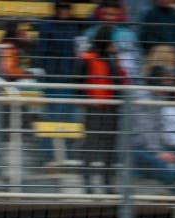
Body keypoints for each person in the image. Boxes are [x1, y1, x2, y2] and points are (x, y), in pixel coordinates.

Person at [78, 25, 126, 192]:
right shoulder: (87, 58)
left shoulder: (113, 58)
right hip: (95, 108)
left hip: (111, 108)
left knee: (109, 148)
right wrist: (87, 101)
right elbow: (76, 83)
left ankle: (107, 183)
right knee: (91, 146)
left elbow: (120, 81)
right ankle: (88, 183)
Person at [33, 0, 81, 166]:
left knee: (68, 117)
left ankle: (65, 155)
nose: (63, 10)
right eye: (60, 6)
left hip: (69, 79)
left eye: (66, 6)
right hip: (52, 78)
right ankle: (49, 156)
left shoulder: (73, 27)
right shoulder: (47, 25)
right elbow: (41, 52)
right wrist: (42, 74)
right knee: (53, 116)